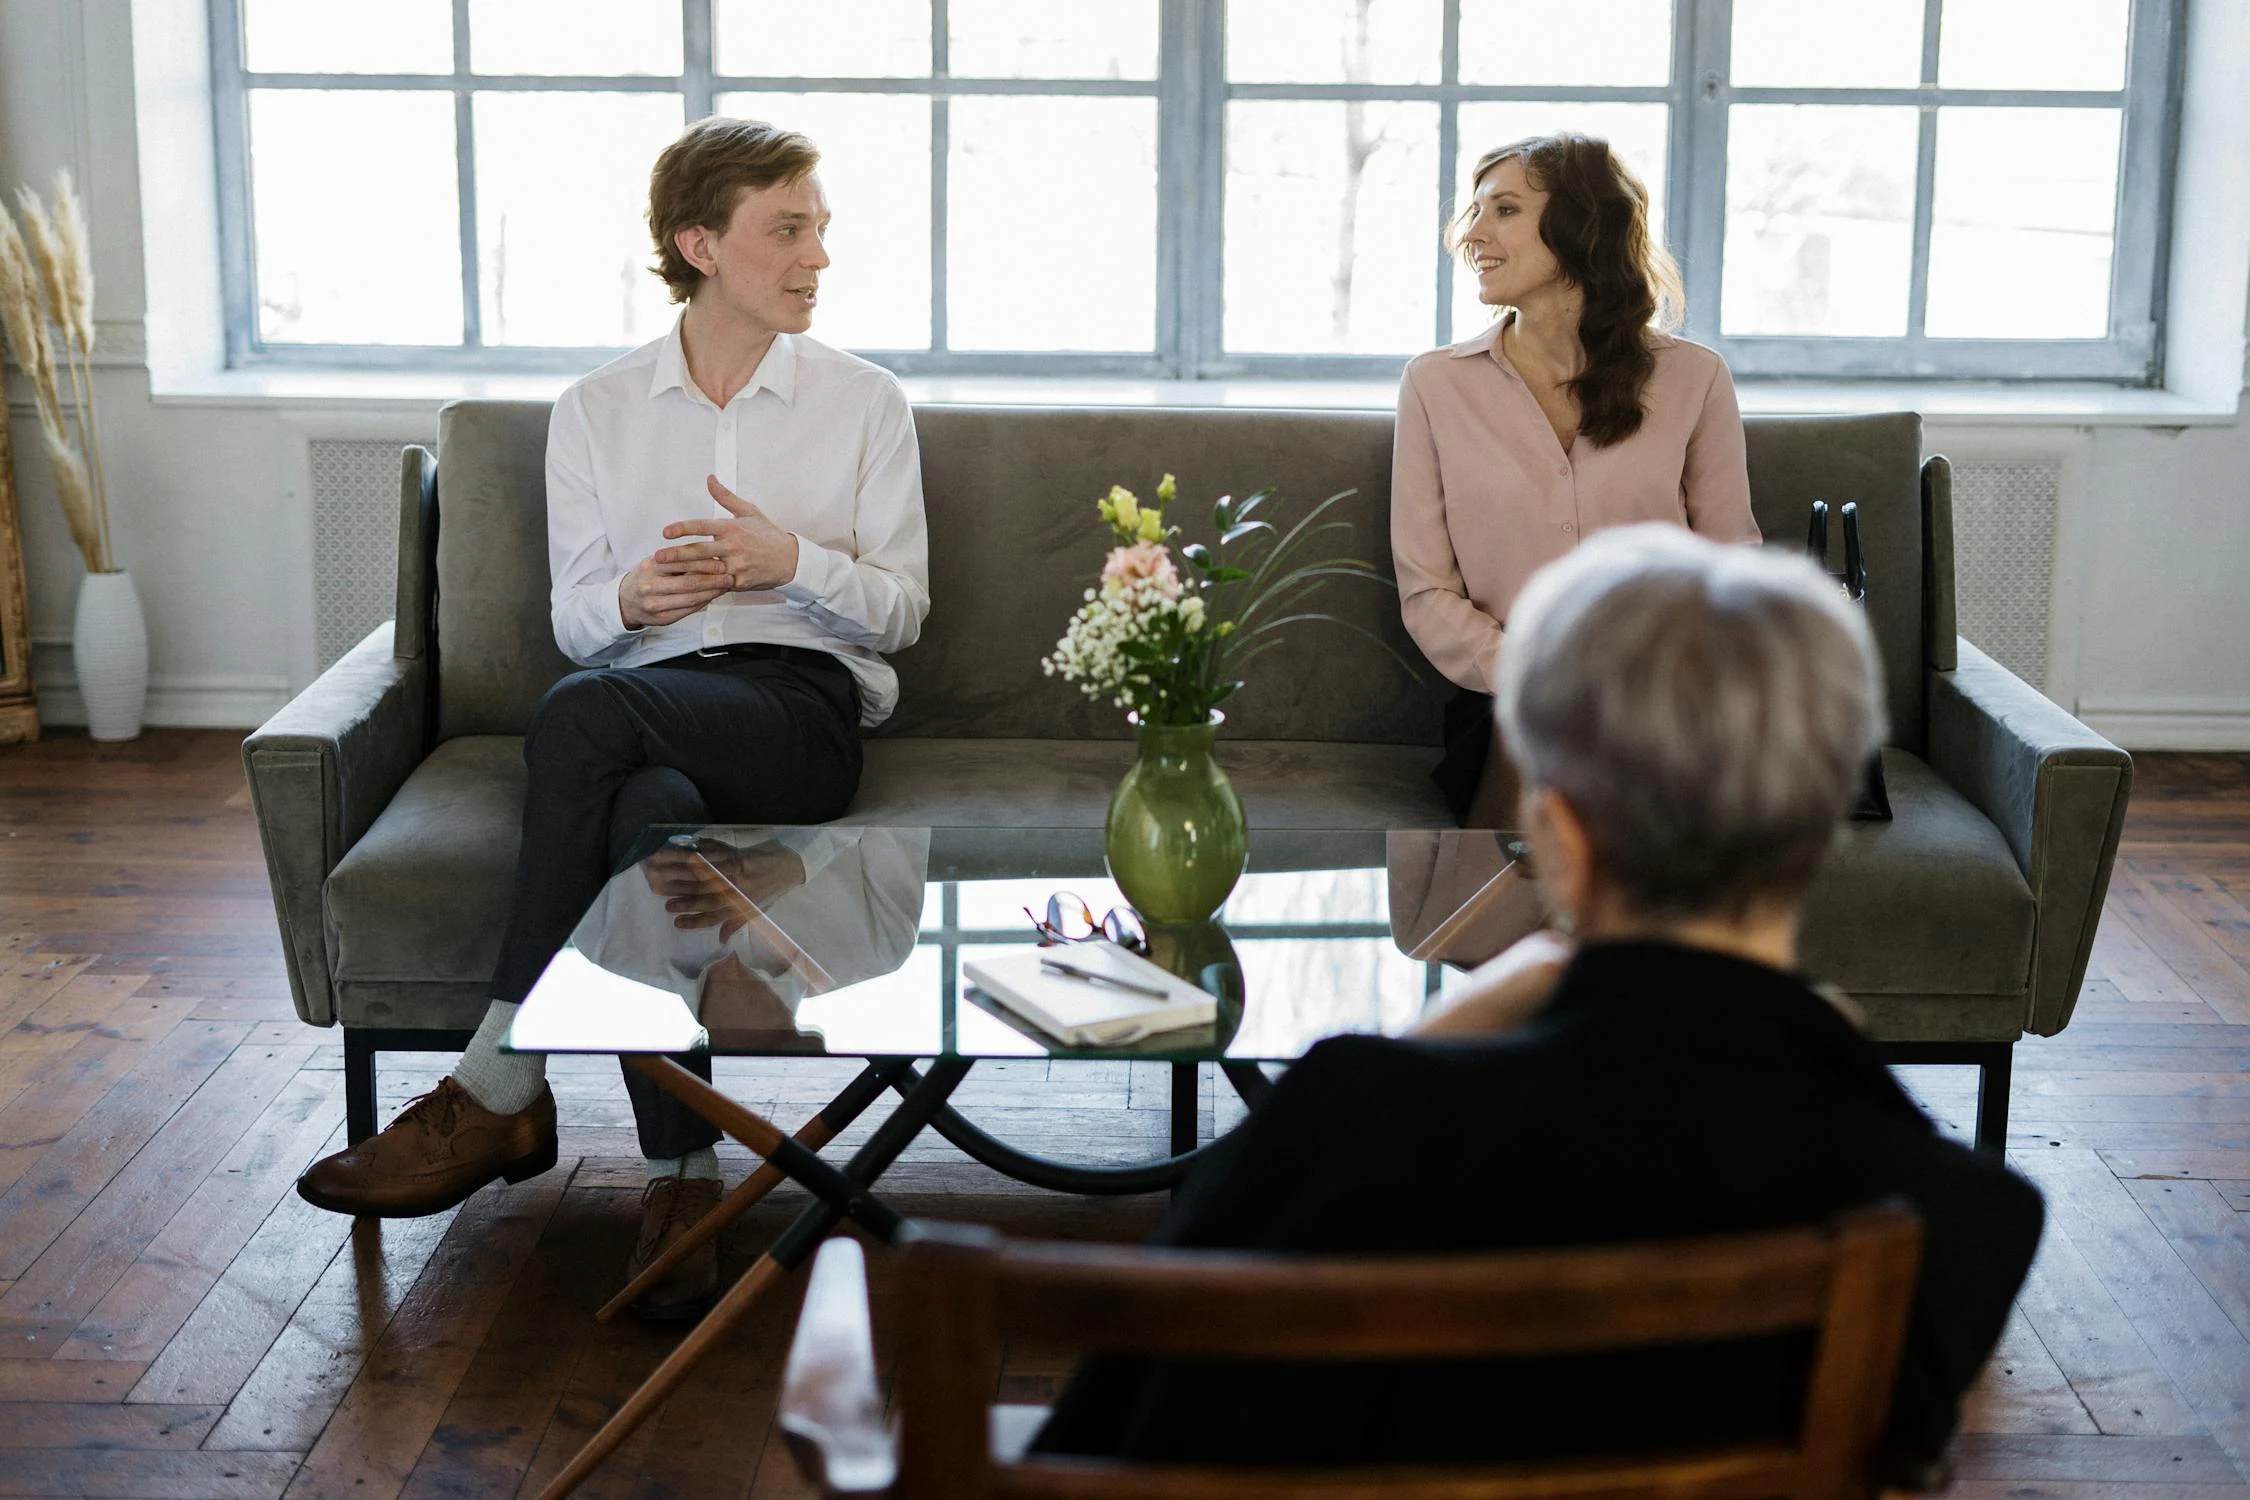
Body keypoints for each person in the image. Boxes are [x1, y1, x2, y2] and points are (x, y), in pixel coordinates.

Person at [1033, 526, 2042, 1484]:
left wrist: (1421, 1040)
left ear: (1558, 835)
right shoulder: (1959, 1220)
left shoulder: (1347, 1126)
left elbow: (1111, 1431)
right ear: (1820, 832)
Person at [294, 118, 931, 1322]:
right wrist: (636, 597)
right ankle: (684, 1181)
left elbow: (899, 616)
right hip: (649, 709)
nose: (816, 257)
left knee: (585, 718)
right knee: (648, 810)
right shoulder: (596, 410)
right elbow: (582, 620)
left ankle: (499, 1079)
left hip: (800, 715)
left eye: (820, 230)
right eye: (786, 229)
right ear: (700, 243)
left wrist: (787, 560)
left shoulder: (864, 402)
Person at [1393, 133, 1760, 828]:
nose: (1473, 235)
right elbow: (1426, 591)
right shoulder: (1435, 385)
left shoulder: (1694, 378)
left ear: (1581, 224)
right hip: (1509, 697)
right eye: (1473, 212)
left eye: (1503, 210)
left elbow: (1731, 569)